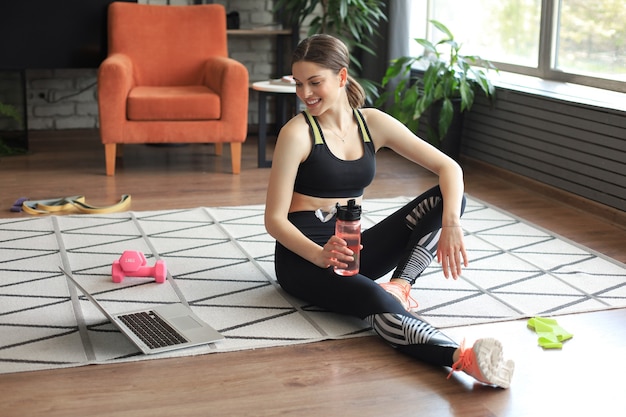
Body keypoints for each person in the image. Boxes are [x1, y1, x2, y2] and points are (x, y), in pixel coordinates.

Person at [264, 34, 514, 388]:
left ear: (341, 76)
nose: (305, 93)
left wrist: (452, 224)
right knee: (370, 299)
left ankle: (401, 285)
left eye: (314, 82)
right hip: (303, 258)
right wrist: (319, 255)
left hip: (352, 249)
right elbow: (273, 219)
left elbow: (449, 169)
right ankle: (462, 358)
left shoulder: (372, 124)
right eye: (299, 84)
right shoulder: (298, 133)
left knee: (449, 198)